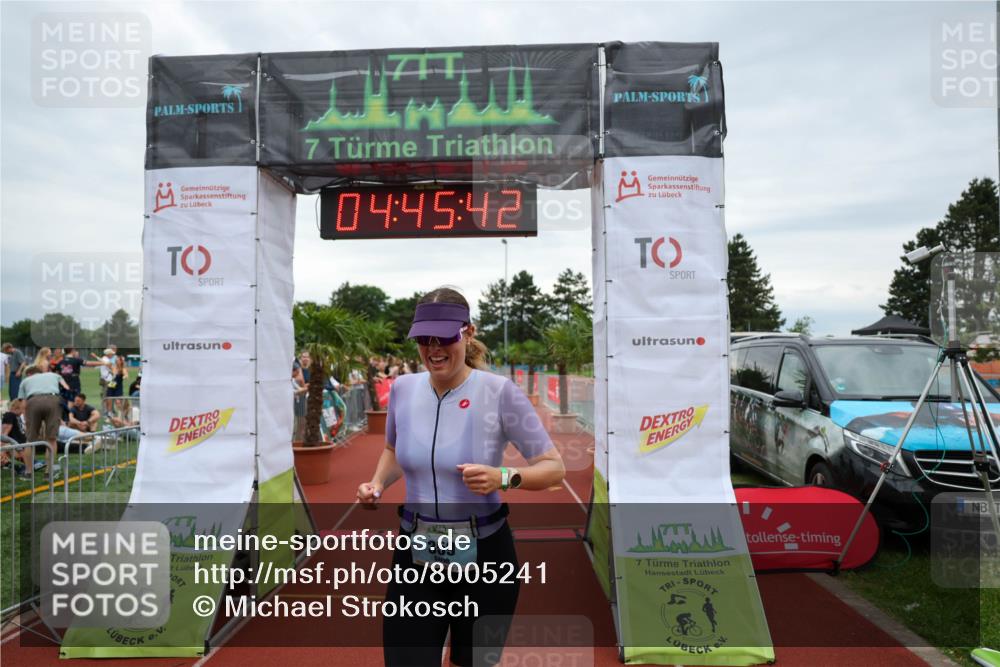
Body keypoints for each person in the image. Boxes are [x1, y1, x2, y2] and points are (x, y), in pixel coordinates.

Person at [358, 287, 565, 667]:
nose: (434, 348)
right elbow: (393, 451)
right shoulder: (403, 390)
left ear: (467, 332)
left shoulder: (500, 392)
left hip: (486, 557)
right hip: (415, 556)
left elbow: (554, 467)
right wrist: (376, 483)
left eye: (445, 337)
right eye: (424, 339)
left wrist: (504, 476)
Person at [17, 365, 69, 474]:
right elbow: (67, 387)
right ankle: (48, 472)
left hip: (33, 401)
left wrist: (25, 419)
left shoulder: (25, 381)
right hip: (53, 400)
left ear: (29, 374)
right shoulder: (53, 375)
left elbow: (22, 403)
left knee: (30, 441)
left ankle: (28, 472)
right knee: (51, 439)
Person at [1, 398, 31, 475]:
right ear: (17, 407)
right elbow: (5, 434)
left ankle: (13, 466)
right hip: (21, 449)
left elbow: (5, 434)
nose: (24, 411)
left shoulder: (12, 416)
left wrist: (2, 450)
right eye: (23, 408)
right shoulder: (12, 416)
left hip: (18, 448)